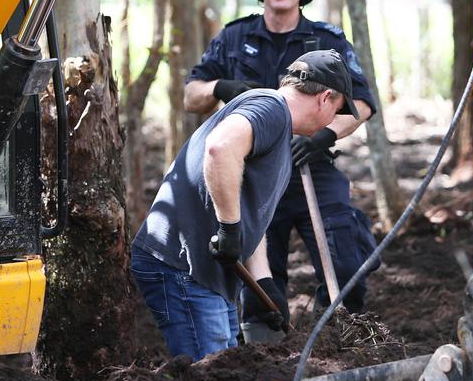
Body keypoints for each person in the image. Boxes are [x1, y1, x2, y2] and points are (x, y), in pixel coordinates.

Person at [184, 0, 379, 335]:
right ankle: (266, 348)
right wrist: (221, 85)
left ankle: (342, 333)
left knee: (344, 257)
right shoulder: (234, 37)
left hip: (311, 165)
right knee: (260, 276)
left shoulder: (327, 39)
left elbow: (361, 104)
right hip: (253, 173)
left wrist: (322, 136)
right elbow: (192, 96)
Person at [131, 50, 359, 361]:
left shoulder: (279, 131)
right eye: (336, 109)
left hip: (208, 273)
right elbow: (220, 148)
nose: (332, 120)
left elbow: (252, 212)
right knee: (208, 378)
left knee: (223, 366)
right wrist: (228, 227)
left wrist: (264, 284)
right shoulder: (270, 108)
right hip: (183, 265)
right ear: (325, 97)